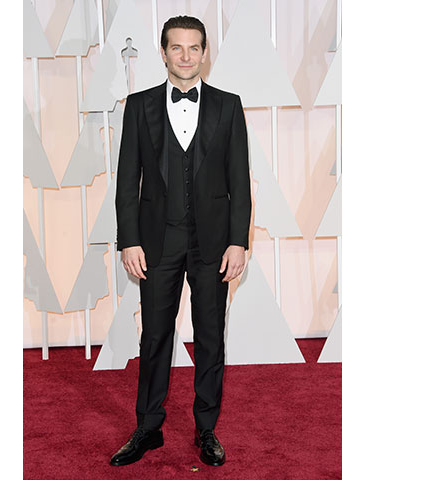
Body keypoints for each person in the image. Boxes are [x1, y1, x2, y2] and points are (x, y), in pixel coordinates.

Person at [111, 15, 251, 467]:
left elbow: (239, 182)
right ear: (164, 52)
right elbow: (126, 181)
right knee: (154, 336)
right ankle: (148, 427)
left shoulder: (229, 106)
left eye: (194, 48)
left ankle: (206, 429)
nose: (186, 56)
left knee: (210, 336)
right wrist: (129, 240)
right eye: (177, 47)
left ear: (205, 53)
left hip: (213, 244)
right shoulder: (139, 106)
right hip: (157, 242)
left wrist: (238, 241)